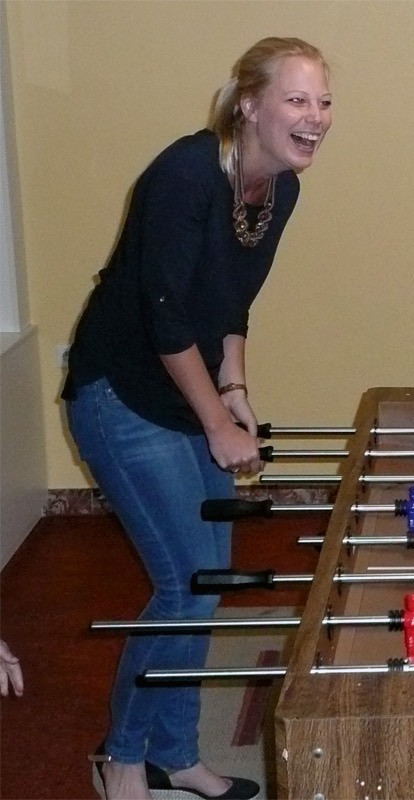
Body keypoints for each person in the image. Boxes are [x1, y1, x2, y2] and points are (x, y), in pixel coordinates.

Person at [63, 37, 333, 800]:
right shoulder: (186, 173)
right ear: (248, 103)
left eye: (324, 102)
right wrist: (218, 423)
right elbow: (165, 316)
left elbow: (231, 306)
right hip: (119, 396)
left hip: (183, 394)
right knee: (185, 579)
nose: (315, 118)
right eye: (297, 99)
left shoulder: (280, 188)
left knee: (205, 581)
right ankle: (121, 757)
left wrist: (236, 389)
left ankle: (175, 754)